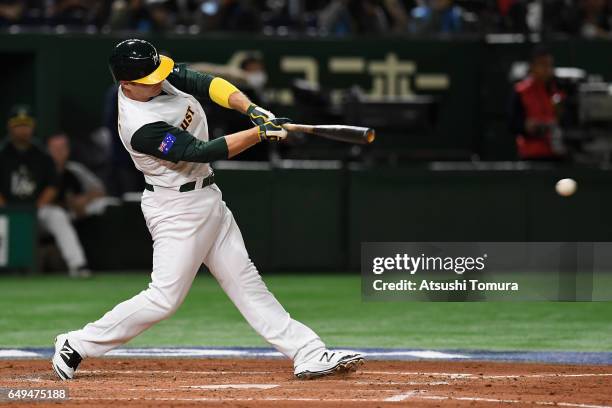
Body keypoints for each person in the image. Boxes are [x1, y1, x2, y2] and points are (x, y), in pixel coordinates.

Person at [51, 39, 364, 381]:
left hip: (206, 197)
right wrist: (259, 134)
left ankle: (308, 352)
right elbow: (200, 150)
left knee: (247, 283)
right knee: (163, 299)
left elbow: (207, 83)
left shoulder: (155, 78)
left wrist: (252, 109)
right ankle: (77, 343)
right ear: (126, 84)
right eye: (150, 78)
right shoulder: (139, 126)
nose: (160, 79)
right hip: (175, 208)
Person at [0, 106, 91, 277]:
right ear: (10, 127)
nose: (22, 129)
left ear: (32, 126)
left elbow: (52, 186)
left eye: (26, 125)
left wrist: (35, 208)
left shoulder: (42, 155)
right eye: (18, 125)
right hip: (6, 213)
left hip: (36, 211)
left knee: (57, 215)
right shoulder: (2, 153)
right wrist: (8, 212)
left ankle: (78, 265)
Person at [509, 47, 566, 160]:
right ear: (533, 67)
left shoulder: (560, 89)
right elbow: (512, 123)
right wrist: (527, 126)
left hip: (558, 153)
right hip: (531, 154)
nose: (547, 69)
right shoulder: (521, 91)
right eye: (543, 65)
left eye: (550, 65)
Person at [46, 133, 111, 218]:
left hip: (77, 212)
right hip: (51, 213)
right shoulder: (42, 171)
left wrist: (85, 198)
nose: (59, 152)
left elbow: (101, 191)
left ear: (68, 150)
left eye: (62, 148)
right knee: (56, 214)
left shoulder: (74, 169)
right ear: (47, 150)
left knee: (105, 203)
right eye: (55, 148)